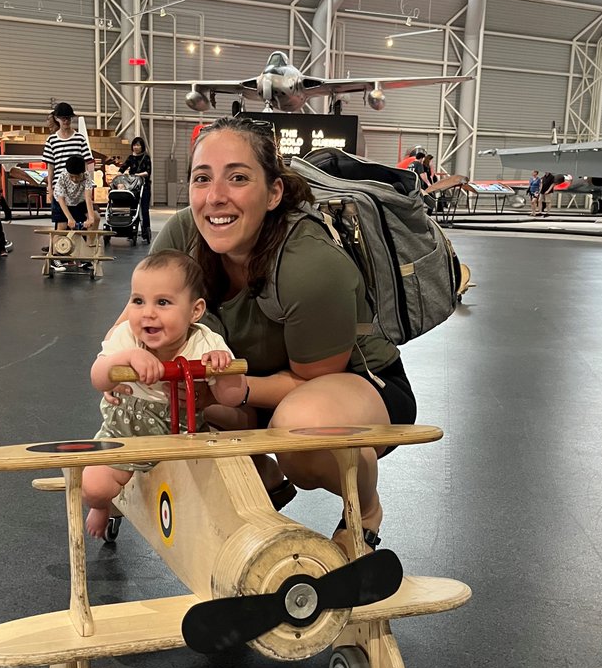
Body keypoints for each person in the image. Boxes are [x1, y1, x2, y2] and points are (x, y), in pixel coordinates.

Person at [147, 116, 418, 557]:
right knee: (172, 404)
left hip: (352, 386)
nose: (216, 197)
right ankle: (264, 479)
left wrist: (232, 391)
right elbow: (136, 322)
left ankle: (364, 511)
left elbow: (310, 378)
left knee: (296, 433)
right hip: (251, 381)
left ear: (273, 192)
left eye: (238, 178)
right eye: (202, 178)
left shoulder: (308, 264)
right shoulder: (183, 234)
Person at [82, 250, 247, 538]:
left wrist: (226, 370)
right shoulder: (127, 337)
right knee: (94, 487)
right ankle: (105, 506)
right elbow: (97, 377)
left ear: (195, 311)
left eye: (163, 302)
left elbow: (232, 397)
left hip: (184, 437)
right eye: (137, 301)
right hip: (125, 433)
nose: (148, 312)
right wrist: (126, 359)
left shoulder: (206, 343)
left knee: (224, 487)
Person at [43, 102, 98, 232]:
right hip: (60, 186)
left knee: (92, 218)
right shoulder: (51, 140)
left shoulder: (80, 138)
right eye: (63, 118)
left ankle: (88, 246)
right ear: (57, 119)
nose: (66, 121)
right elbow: (51, 166)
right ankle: (57, 249)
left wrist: (86, 183)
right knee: (61, 224)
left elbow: (86, 163)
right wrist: (50, 187)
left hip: (78, 187)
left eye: (68, 118)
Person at [120, 136, 152, 242]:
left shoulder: (146, 157)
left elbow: (148, 172)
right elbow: (123, 168)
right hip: (133, 187)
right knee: (132, 209)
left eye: (138, 145)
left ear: (142, 147)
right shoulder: (130, 158)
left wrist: (137, 175)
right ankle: (131, 230)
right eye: (134, 145)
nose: (136, 147)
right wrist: (119, 175)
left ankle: (145, 231)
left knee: (144, 210)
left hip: (144, 186)